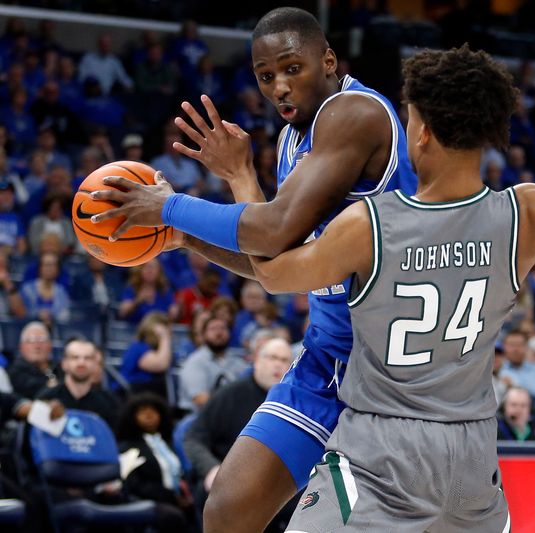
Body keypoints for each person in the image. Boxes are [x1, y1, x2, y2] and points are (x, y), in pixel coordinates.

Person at [100, 33, 535, 528]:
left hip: (381, 426)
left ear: (417, 131)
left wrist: (205, 197)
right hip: (471, 445)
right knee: (229, 509)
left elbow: (272, 264)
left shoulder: (373, 224)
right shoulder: (529, 213)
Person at [89, 7, 417, 530]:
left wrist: (170, 208)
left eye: (292, 69)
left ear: (328, 59)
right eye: (266, 77)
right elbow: (274, 266)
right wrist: (188, 229)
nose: (279, 87)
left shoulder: (354, 114)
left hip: (388, 372)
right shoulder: (293, 140)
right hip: (327, 358)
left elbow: (271, 230)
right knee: (226, 512)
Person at [183, 338, 292, 498]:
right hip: (229, 480)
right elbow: (193, 439)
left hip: (277, 485)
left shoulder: (294, 403)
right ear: (257, 361)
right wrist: (211, 469)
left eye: (284, 360)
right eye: (272, 358)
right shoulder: (230, 394)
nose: (278, 364)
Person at [116, 393, 193, 532]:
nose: (149, 416)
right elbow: (134, 484)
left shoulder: (168, 443)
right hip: (148, 501)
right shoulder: (127, 448)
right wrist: (171, 497)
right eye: (142, 412)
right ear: (131, 417)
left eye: (153, 411)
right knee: (172, 516)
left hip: (177, 499)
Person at [36, 338, 120, 427]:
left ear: (95, 364)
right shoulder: (46, 399)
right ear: (64, 364)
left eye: (87, 358)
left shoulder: (110, 403)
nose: (81, 363)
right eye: (75, 357)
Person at [178, 315, 247, 412]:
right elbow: (200, 399)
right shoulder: (195, 362)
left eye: (223, 328)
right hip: (198, 418)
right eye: (213, 329)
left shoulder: (238, 363)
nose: (219, 333)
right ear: (203, 334)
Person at [119, 311, 173, 397]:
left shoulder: (156, 349)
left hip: (148, 393)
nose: (170, 334)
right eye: (167, 330)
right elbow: (161, 365)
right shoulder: (139, 347)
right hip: (131, 395)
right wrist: (164, 337)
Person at [8, 321, 57, 398]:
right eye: (31, 341)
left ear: (50, 345)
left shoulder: (59, 368)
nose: (37, 346)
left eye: (42, 340)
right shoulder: (15, 371)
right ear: (21, 347)